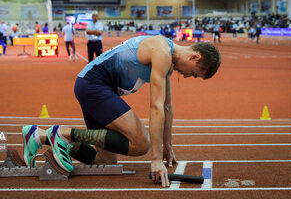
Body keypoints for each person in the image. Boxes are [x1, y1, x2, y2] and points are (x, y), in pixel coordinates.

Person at [22, 35, 221, 187]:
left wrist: (167, 147)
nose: (187, 77)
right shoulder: (162, 51)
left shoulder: (167, 60)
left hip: (94, 86)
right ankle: (62, 134)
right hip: (94, 85)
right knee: (142, 143)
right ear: (195, 56)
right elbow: (156, 107)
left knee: (105, 163)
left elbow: (167, 107)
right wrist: (156, 159)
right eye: (194, 74)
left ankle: (40, 136)